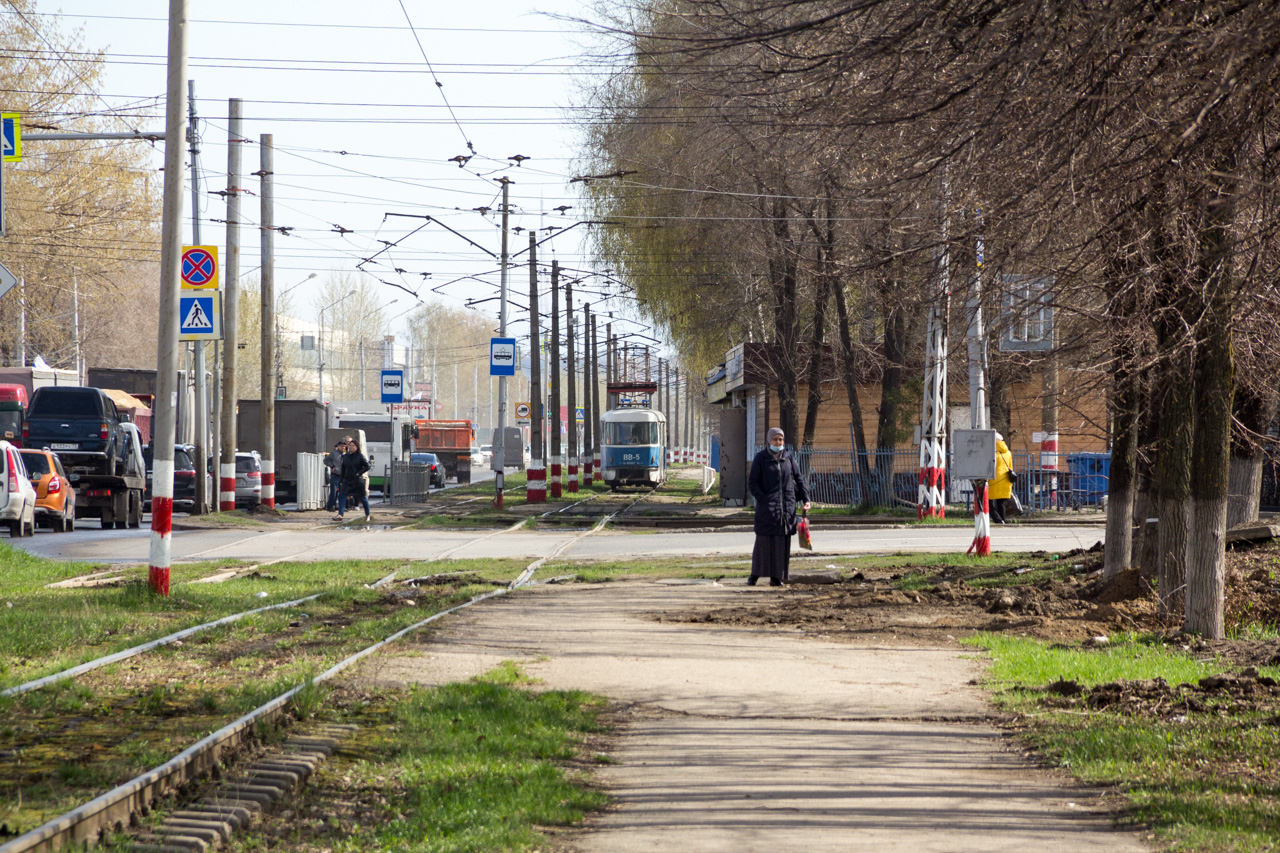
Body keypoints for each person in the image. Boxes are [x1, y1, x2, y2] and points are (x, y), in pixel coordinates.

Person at [747, 427, 811, 586]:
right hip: (767, 507)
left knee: (782, 543)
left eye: (780, 439)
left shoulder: (789, 457)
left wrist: (806, 499)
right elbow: (753, 483)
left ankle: (777, 578)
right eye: (775, 439)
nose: (778, 442)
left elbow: (799, 479)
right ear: (769, 441)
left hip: (786, 507)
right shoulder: (761, 458)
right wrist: (764, 499)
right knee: (763, 542)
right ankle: (754, 575)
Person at [334, 437, 372, 523]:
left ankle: (368, 514)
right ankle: (340, 514)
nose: (351, 447)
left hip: (357, 481)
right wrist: (341, 481)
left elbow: (367, 466)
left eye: (353, 446)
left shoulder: (360, 456)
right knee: (342, 496)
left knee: (363, 498)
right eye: (350, 445)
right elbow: (343, 469)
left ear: (357, 447)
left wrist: (359, 473)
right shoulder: (345, 456)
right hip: (347, 480)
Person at [989, 432, 1015, 524]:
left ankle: (998, 520)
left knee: (988, 502)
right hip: (1005, 480)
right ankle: (1003, 520)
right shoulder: (1008, 452)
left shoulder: (992, 452)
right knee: (1001, 503)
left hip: (994, 480)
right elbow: (1010, 466)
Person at [324, 441, 344, 512]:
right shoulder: (334, 454)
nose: (343, 447)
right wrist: (332, 466)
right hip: (335, 475)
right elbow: (325, 460)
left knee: (341, 492)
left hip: (343, 476)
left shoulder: (345, 454)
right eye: (341, 446)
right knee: (334, 491)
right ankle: (330, 505)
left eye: (344, 446)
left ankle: (339, 506)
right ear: (338, 446)